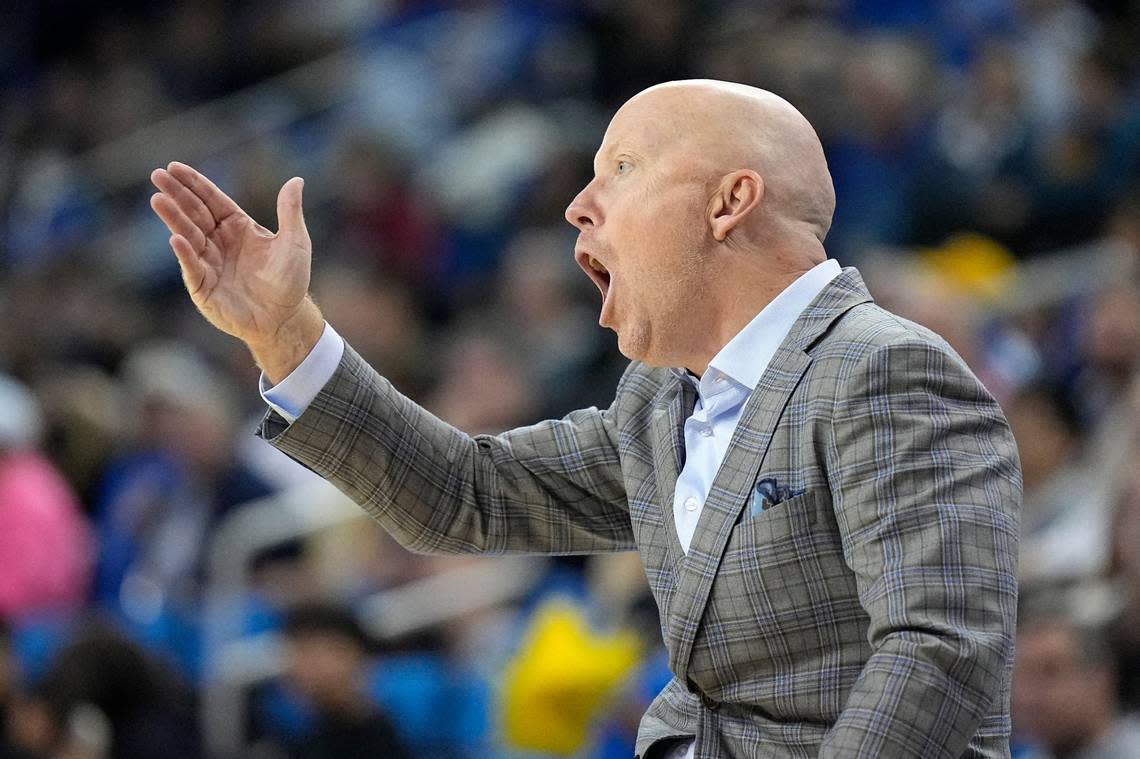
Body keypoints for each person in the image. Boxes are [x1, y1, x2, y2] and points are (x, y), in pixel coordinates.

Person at [149, 79, 1022, 758]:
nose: (579, 204)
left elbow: (935, 652)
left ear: (729, 202)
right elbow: (463, 495)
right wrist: (281, 331)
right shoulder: (660, 401)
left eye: (622, 170)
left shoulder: (882, 368)